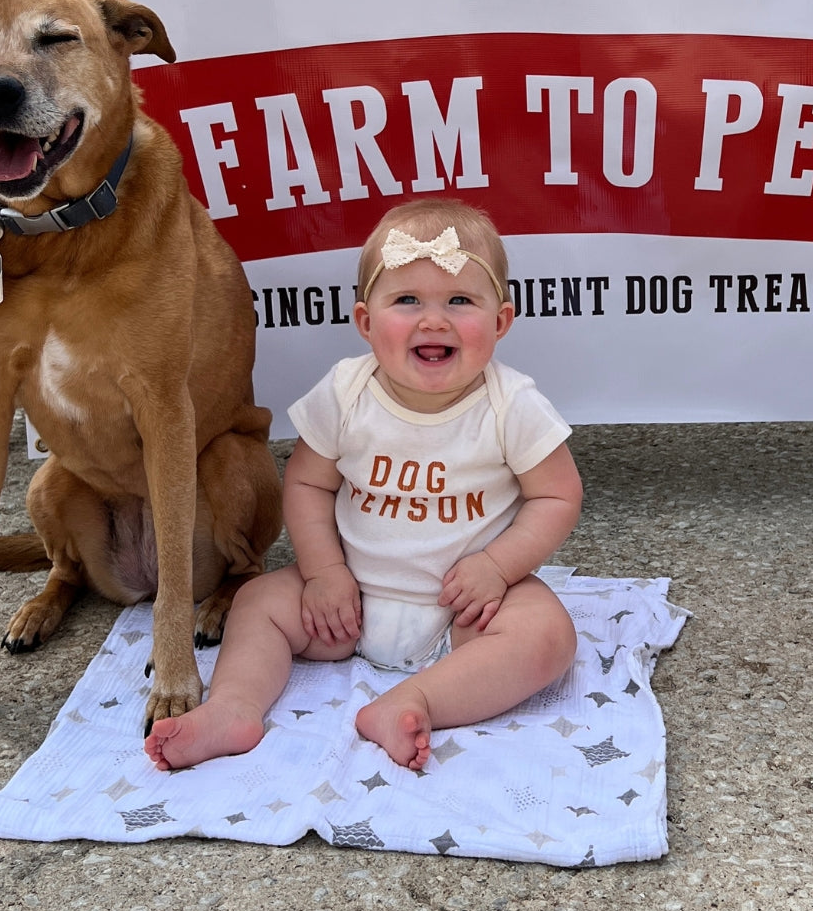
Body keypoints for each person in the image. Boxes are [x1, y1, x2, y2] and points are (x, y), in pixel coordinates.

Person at [145, 198, 582, 771]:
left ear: (500, 321)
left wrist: (498, 568)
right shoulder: (346, 392)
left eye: (459, 301)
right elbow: (306, 484)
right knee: (258, 602)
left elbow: (557, 495)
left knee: (548, 634)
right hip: (348, 603)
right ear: (365, 322)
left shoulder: (512, 404)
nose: (434, 320)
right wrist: (325, 573)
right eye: (407, 300)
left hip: (465, 611)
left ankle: (417, 700)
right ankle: (234, 706)